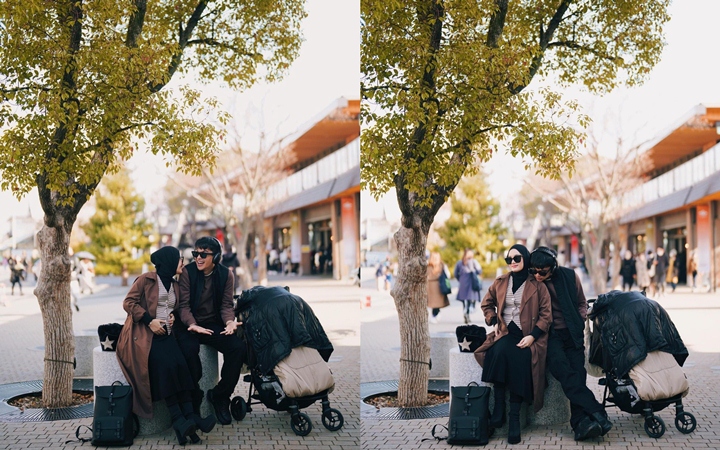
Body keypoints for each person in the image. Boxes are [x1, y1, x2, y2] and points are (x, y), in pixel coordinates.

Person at [116, 246, 216, 445]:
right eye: (179, 260)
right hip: (145, 336)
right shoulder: (147, 279)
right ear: (169, 261)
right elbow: (128, 303)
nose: (183, 263)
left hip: (166, 335)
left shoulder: (175, 285)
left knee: (182, 367)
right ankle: (180, 420)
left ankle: (190, 417)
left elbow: (173, 308)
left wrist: (170, 316)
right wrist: (149, 320)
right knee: (167, 368)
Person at [528, 246, 613, 441]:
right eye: (534, 271)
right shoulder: (530, 281)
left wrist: (580, 318)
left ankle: (581, 424)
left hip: (572, 332)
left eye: (543, 272)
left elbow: (581, 302)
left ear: (553, 267)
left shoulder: (569, 276)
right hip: (548, 336)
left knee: (578, 374)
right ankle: (597, 411)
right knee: (564, 372)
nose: (538, 275)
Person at [475, 244, 551, 444]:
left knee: (518, 357)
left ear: (525, 258)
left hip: (527, 336)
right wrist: (492, 318)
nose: (513, 262)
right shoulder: (500, 282)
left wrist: (533, 336)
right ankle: (500, 408)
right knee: (498, 351)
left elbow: (546, 315)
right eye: (509, 259)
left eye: (517, 258)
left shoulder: (538, 285)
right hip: (505, 333)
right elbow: (486, 303)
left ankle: (513, 416)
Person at [175, 236, 246, 425]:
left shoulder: (226, 275)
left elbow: (226, 305)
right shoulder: (187, 273)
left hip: (212, 324)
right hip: (188, 325)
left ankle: (221, 396)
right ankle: (192, 404)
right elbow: (183, 306)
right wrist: (192, 324)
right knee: (190, 353)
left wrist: (230, 322)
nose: (198, 258)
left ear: (215, 257)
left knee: (237, 348)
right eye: (196, 253)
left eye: (203, 254)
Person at [454, 249, 482, 324]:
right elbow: (479, 271)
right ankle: (467, 314)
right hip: (471, 282)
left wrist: (460, 279)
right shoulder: (473, 262)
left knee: (465, 300)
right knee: (470, 299)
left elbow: (456, 274)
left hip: (463, 283)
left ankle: (466, 314)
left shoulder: (460, 263)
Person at [427, 252, 450, 324]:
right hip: (439, 285)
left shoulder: (427, 266)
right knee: (437, 303)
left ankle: (435, 314)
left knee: (433, 302)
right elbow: (448, 275)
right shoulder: (442, 265)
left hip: (429, 286)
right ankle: (436, 314)